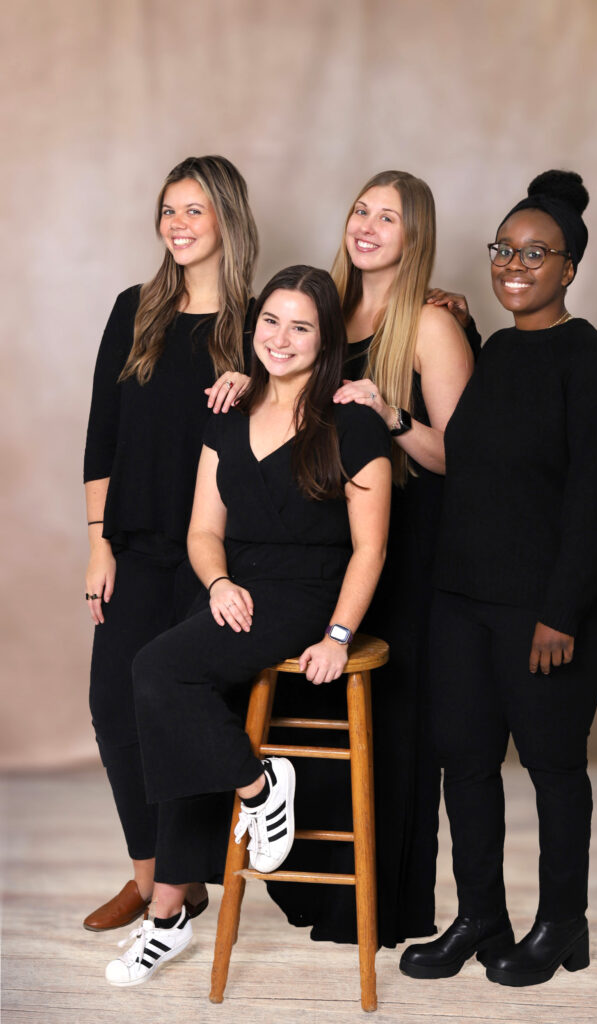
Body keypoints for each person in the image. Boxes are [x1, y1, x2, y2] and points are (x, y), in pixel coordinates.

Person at [102, 265, 392, 986]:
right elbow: (204, 530)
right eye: (271, 321)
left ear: (325, 340)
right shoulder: (227, 412)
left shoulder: (350, 420)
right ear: (253, 326)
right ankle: (181, 896)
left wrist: (337, 634)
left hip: (304, 594)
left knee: (156, 671)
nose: (280, 338)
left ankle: (250, 799)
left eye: (301, 326)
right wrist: (220, 581)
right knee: (164, 693)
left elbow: (370, 547)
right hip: (236, 589)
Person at [400, 170, 597, 986]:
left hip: (546, 609)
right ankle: (479, 917)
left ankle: (559, 925)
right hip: (463, 600)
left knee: (550, 766)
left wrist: (560, 613)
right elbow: (467, 457)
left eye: (536, 254)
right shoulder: (497, 349)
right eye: (504, 249)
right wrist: (454, 332)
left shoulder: (593, 364)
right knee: (463, 762)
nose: (514, 264)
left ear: (569, 268)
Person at [240, 170, 476, 947]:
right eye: (360, 210)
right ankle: (317, 894)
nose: (368, 226)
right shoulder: (324, 313)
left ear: (416, 237)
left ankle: (383, 908)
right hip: (326, 547)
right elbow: (285, 390)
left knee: (392, 725)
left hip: (406, 550)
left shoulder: (432, 325)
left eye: (390, 217)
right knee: (308, 713)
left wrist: (390, 411)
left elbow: (461, 458)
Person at [82, 155, 257, 932]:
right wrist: (98, 544)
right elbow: (102, 437)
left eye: (194, 210)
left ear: (227, 218)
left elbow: (308, 400)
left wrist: (257, 385)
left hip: (218, 553)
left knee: (182, 708)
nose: (177, 225)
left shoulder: (259, 323)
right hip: (137, 543)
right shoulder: (135, 309)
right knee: (113, 708)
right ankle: (155, 876)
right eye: (168, 210)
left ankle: (172, 893)